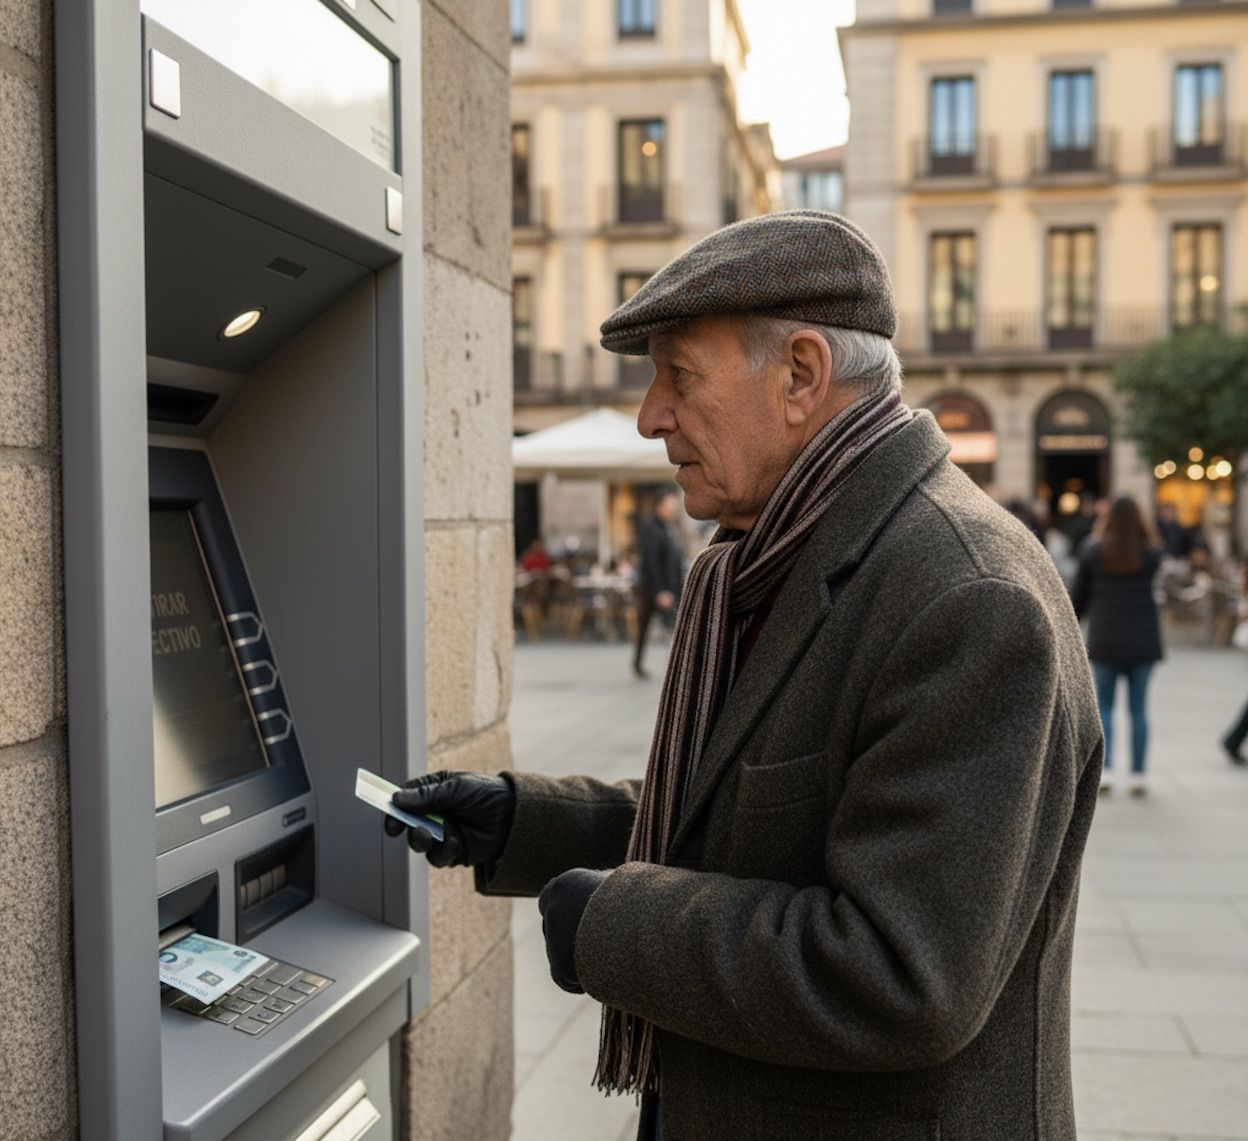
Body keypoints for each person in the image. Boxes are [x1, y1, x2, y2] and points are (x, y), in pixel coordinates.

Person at [385, 211, 1103, 1141]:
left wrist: (617, 926)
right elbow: (753, 818)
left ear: (801, 374)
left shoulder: (967, 595)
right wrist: (528, 821)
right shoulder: (793, 553)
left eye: (679, 375)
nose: (652, 416)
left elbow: (899, 971)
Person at [1069, 494, 1164, 794]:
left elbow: (1078, 597)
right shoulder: (1150, 554)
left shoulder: (1094, 551)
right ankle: (1138, 775)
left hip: (1106, 637)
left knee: (1106, 707)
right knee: (1138, 709)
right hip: (1143, 640)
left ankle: (1106, 772)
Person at [632, 489, 684, 679]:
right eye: (671, 506)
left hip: (667, 588)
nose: (673, 510)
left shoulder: (668, 527)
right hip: (656, 590)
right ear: (660, 505)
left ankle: (644, 665)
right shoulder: (653, 529)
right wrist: (661, 590)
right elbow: (651, 561)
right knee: (669, 628)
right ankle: (672, 668)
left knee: (666, 627)